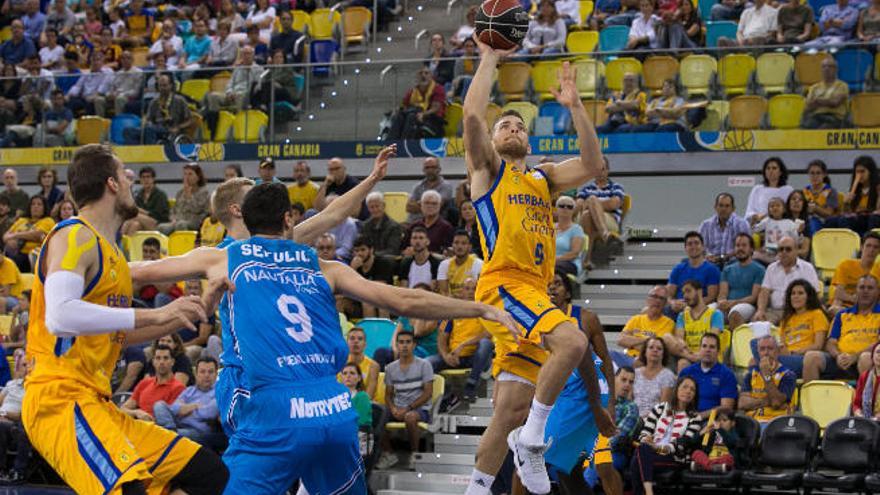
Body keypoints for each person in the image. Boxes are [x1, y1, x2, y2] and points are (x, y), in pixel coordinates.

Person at [127, 181, 518, 494]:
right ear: (287, 219)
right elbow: (401, 297)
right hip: (331, 406)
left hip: (269, 402)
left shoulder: (223, 257)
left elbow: (142, 271)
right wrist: (479, 308)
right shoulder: (320, 262)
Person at [23, 146, 227, 494]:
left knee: (211, 475)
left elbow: (118, 334)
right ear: (112, 184)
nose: (131, 177)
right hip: (60, 401)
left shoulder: (113, 253)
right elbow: (60, 316)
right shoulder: (74, 235)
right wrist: (158, 311)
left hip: (96, 403)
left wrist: (192, 312)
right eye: (125, 172)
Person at [461, 38, 604, 492]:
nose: (511, 129)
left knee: (509, 410)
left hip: (534, 292)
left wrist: (577, 105)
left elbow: (593, 163)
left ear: (529, 138)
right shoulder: (488, 171)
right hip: (504, 284)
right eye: (503, 124)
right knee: (573, 341)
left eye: (518, 126)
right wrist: (489, 57)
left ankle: (477, 488)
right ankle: (533, 441)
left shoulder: (543, 178)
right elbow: (470, 117)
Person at [630, 376, 703, 495]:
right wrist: (646, 439)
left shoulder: (695, 417)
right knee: (642, 450)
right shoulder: (660, 408)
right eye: (685, 387)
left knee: (638, 457)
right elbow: (645, 432)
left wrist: (657, 448)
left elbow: (681, 445)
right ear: (677, 388)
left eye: (692, 390)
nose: (688, 391)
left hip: (673, 458)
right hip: (650, 453)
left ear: (695, 395)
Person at [376, 330, 435, 470]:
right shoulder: (390, 368)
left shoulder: (425, 365)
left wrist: (407, 408)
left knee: (410, 417)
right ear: (396, 344)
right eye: (401, 342)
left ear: (414, 345)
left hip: (419, 409)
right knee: (377, 415)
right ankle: (388, 453)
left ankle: (415, 454)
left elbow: (428, 393)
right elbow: (388, 395)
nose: (404, 346)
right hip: (398, 408)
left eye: (408, 342)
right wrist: (393, 409)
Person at [804, 275, 880, 382]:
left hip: (867, 360)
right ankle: (810, 398)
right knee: (811, 357)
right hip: (841, 360)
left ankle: (867, 398)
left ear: (877, 292)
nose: (865, 291)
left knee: (865, 358)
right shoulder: (842, 315)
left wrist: (855, 356)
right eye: (862, 287)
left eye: (870, 288)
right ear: (856, 291)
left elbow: (878, 344)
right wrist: (838, 356)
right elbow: (830, 343)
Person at [583, 367, 640, 495]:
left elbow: (619, 437)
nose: (627, 385)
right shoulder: (600, 402)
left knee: (597, 461)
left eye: (631, 382)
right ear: (614, 380)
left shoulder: (630, 408)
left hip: (615, 452)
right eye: (624, 379)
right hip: (589, 448)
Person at [153, 357, 223, 450]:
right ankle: (170, 433)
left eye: (210, 372)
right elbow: (174, 408)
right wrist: (195, 406)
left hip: (197, 432)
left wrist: (186, 408)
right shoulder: (189, 390)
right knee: (159, 405)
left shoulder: (220, 392)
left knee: (159, 435)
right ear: (196, 374)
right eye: (202, 372)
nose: (206, 375)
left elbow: (207, 413)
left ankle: (168, 435)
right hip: (176, 426)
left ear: (216, 374)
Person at [754, 236, 821, 323]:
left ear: (796, 250)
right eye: (781, 249)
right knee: (758, 325)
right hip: (775, 311)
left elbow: (815, 294)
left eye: (788, 249)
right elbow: (764, 292)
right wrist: (761, 310)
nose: (784, 252)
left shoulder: (807, 268)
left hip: (799, 311)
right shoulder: (771, 268)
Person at [576, 157, 625, 264]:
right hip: (587, 220)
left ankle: (585, 258)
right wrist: (594, 206)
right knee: (586, 215)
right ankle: (604, 238)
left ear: (607, 170)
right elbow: (578, 205)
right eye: (597, 169)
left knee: (592, 200)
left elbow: (614, 204)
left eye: (602, 169)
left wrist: (592, 204)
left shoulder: (616, 187)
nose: (600, 172)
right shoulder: (586, 189)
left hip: (610, 220)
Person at [739, 335, 796, 425]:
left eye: (770, 349)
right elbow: (742, 403)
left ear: (777, 351)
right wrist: (766, 401)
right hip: (752, 422)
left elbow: (776, 402)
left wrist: (766, 375)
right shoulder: (751, 374)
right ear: (758, 352)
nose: (766, 353)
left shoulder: (788, 375)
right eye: (762, 349)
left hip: (775, 422)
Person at [613, 285, 676, 368]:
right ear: (648, 299)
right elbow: (620, 340)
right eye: (654, 296)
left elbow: (655, 349)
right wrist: (647, 340)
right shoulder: (636, 319)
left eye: (661, 298)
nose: (657, 301)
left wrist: (631, 343)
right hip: (628, 357)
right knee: (608, 355)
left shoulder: (669, 323)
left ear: (665, 303)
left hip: (647, 360)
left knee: (638, 362)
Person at [679, 333, 738, 417]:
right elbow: (676, 400)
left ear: (718, 351)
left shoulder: (727, 374)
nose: (707, 350)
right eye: (704, 346)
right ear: (699, 349)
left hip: (712, 421)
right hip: (685, 418)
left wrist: (700, 416)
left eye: (712, 347)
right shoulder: (687, 372)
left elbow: (726, 408)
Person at [122, 346, 186, 421]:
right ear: (153, 362)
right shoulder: (144, 383)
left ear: (172, 362)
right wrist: (136, 412)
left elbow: (170, 420)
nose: (161, 362)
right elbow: (123, 409)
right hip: (137, 425)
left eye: (165, 358)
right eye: (158, 358)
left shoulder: (179, 388)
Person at [674, 280, 725, 371]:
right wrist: (689, 355)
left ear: (699, 292)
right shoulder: (682, 316)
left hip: (709, 356)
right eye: (683, 293)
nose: (685, 296)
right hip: (689, 356)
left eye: (688, 291)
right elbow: (679, 340)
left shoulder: (715, 314)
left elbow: (712, 340)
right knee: (682, 363)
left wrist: (699, 355)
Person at [667, 232, 721, 315]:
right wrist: (673, 303)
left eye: (696, 243)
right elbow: (669, 295)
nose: (693, 246)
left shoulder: (712, 269)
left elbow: (711, 297)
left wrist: (689, 305)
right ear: (685, 248)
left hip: (699, 307)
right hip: (678, 307)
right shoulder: (678, 269)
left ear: (703, 247)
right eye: (690, 244)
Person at [824, 156, 880, 235]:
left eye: (862, 171)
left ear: (870, 172)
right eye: (857, 172)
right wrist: (846, 203)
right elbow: (847, 213)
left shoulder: (877, 187)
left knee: (873, 219)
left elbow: (878, 211)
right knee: (831, 220)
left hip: (870, 218)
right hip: (857, 219)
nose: (859, 175)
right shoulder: (855, 190)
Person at [387, 67, 447, 139]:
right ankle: (390, 144)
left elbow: (436, 108)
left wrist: (423, 114)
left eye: (426, 73)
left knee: (412, 117)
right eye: (420, 73)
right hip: (415, 114)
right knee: (399, 116)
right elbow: (404, 106)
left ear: (431, 76)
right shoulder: (413, 91)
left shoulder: (438, 89)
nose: (423, 76)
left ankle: (404, 144)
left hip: (433, 119)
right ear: (417, 77)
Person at [134, 73, 193, 145]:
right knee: (128, 131)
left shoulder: (179, 100)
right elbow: (148, 118)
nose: (162, 88)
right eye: (160, 86)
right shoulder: (154, 102)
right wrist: (145, 121)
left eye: (165, 85)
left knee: (149, 130)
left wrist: (178, 127)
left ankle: (152, 151)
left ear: (171, 85)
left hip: (170, 129)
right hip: (156, 127)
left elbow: (190, 120)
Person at [830, 232, 880, 315]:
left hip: (869, 309)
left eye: (876, 247)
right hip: (845, 306)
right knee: (836, 306)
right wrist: (857, 299)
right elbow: (838, 293)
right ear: (861, 247)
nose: (871, 250)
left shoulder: (878, 269)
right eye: (868, 246)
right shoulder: (845, 265)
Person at [3, 196, 54, 272]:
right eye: (33, 204)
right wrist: (10, 242)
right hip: (14, 253)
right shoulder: (22, 220)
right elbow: (5, 236)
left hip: (32, 257)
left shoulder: (48, 221)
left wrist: (16, 235)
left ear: (44, 208)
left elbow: (37, 235)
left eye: (39, 204)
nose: (35, 206)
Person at [158, 163, 211, 234]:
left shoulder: (204, 192)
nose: (186, 177)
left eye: (190, 174)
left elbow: (196, 210)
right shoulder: (180, 193)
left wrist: (189, 195)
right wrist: (173, 219)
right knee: (161, 227)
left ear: (198, 177)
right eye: (185, 174)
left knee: (181, 225)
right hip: (177, 221)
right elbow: (173, 210)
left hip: (195, 221)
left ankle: (183, 244)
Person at [0, 359, 30, 485]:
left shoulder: (33, 390)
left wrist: (4, 414)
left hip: (16, 423)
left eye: (27, 365)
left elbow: (23, 415)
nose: (26, 368)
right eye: (23, 365)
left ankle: (16, 471)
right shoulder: (11, 383)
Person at [700, 193, 751, 266]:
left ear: (733, 208)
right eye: (720, 205)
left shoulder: (742, 224)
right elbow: (701, 247)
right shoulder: (705, 225)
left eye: (727, 206)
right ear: (715, 207)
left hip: (734, 262)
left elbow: (746, 248)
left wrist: (725, 257)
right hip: (711, 263)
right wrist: (708, 255)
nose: (723, 209)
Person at [633, 336, 676, 418]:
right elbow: (628, 399)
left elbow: (663, 408)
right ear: (645, 352)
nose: (655, 350)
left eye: (659, 349)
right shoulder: (636, 373)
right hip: (632, 416)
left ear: (663, 354)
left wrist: (642, 418)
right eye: (651, 347)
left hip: (654, 419)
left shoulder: (668, 375)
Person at [752, 196, 804, 265]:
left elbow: (796, 240)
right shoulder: (767, 221)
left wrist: (799, 232)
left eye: (778, 205)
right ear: (769, 211)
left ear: (784, 209)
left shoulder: (789, 223)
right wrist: (754, 221)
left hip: (782, 252)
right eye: (772, 206)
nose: (775, 208)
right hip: (768, 252)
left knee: (780, 258)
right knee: (754, 255)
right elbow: (755, 229)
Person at [801, 57, 850, 129]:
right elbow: (808, 107)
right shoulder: (814, 87)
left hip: (835, 117)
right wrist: (826, 101)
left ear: (836, 69)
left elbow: (835, 103)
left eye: (830, 66)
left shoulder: (842, 86)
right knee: (805, 127)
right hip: (817, 117)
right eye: (824, 67)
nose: (827, 69)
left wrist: (818, 101)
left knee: (823, 129)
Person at [745, 157, 794, 226]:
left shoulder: (788, 190)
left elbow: (791, 211)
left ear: (780, 172)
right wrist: (756, 216)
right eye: (768, 168)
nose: (771, 171)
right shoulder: (757, 189)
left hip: (783, 226)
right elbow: (750, 210)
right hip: (760, 226)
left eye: (774, 168)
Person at [339, 363, 373, 457]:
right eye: (345, 373)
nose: (348, 376)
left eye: (352, 373)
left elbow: (362, 421)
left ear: (359, 378)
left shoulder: (362, 396)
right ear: (341, 378)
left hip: (358, 435)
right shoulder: (336, 398)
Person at [407, 157, 456, 224]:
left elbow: (435, 207)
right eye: (427, 168)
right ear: (423, 170)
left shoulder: (446, 186)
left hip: (435, 224)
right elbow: (408, 207)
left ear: (439, 169)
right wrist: (427, 204)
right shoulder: (418, 186)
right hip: (413, 223)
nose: (430, 170)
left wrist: (419, 203)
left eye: (433, 167)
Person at [690, 408, 737, 473]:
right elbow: (693, 442)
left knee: (729, 458)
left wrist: (720, 430)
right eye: (719, 420)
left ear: (733, 423)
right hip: (710, 458)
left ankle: (705, 467)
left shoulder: (734, 433)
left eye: (724, 420)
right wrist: (701, 432)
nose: (721, 423)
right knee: (696, 453)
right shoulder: (713, 433)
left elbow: (731, 443)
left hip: (723, 460)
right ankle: (712, 467)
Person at [437, 231, 484, 297]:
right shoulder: (444, 265)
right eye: (456, 243)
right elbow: (443, 292)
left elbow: (480, 292)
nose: (459, 246)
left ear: (470, 247)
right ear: (452, 245)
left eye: (463, 243)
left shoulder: (479, 264)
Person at [362, 192, 404, 256]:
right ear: (368, 209)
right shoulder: (365, 225)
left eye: (377, 206)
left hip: (386, 261)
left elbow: (393, 250)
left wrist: (372, 255)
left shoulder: (395, 227)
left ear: (384, 206)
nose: (375, 209)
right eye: (372, 207)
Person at [344, 327, 381, 399]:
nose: (356, 341)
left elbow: (368, 397)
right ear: (346, 343)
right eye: (352, 338)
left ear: (365, 344)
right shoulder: (339, 363)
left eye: (360, 339)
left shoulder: (373, 366)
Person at [803, 159, 839, 234]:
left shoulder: (831, 191)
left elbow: (829, 214)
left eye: (818, 173)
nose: (815, 176)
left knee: (813, 222)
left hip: (825, 223)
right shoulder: (804, 191)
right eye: (812, 173)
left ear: (824, 174)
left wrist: (816, 209)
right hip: (805, 221)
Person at [555, 196, 585, 277]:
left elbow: (574, 254)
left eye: (569, 207)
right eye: (561, 206)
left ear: (573, 211)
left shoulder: (577, 229)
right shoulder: (549, 228)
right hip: (550, 263)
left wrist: (554, 260)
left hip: (570, 263)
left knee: (554, 268)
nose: (565, 208)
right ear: (556, 209)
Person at [852, 342, 880, 419]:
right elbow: (856, 404)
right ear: (872, 356)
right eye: (878, 352)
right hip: (867, 421)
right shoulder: (865, 376)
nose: (879, 355)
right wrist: (858, 413)